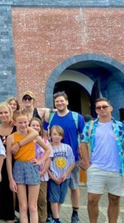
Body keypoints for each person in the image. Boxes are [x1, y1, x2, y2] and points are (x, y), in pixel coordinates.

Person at [79, 98, 124, 223]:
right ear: (96, 110)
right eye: (98, 107)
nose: (102, 109)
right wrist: (87, 164)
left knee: (114, 199)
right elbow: (83, 143)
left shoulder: (120, 127)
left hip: (116, 168)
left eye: (104, 106)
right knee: (92, 199)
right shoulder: (90, 126)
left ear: (110, 108)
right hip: (96, 168)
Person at [0, 102, 38, 223]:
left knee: (25, 201)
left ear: (10, 113)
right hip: (3, 164)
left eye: (6, 112)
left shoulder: (17, 124)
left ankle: (14, 218)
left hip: (19, 162)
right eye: (1, 113)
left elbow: (35, 133)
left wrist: (19, 144)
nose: (3, 115)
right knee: (4, 193)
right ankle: (2, 216)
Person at [47, 91, 85, 223]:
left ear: (67, 102)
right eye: (57, 101)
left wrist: (84, 157)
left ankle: (75, 213)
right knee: (54, 189)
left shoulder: (76, 117)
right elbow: (46, 135)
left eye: (61, 100)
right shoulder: (51, 117)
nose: (59, 103)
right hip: (53, 159)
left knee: (74, 187)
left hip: (71, 159)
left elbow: (84, 138)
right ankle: (54, 215)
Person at [6, 112, 51, 223]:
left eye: (25, 122)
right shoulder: (11, 138)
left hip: (31, 167)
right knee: (23, 206)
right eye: (20, 122)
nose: (23, 125)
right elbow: (8, 159)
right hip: (19, 168)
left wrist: (40, 161)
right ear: (15, 123)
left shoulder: (33, 136)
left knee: (32, 206)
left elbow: (48, 149)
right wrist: (11, 179)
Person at [47, 126, 75, 223]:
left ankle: (56, 216)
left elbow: (72, 162)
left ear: (62, 136)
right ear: (50, 135)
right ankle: (56, 218)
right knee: (54, 198)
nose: (57, 137)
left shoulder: (67, 148)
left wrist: (66, 173)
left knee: (60, 199)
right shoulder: (48, 148)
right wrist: (52, 177)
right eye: (54, 134)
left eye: (59, 135)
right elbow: (46, 165)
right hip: (54, 177)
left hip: (65, 177)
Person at [30, 117, 53, 223]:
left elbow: (49, 157)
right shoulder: (27, 139)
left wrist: (43, 171)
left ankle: (42, 219)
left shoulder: (45, 141)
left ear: (40, 128)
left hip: (41, 175)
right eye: (33, 125)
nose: (35, 127)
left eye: (37, 125)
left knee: (42, 199)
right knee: (31, 200)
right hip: (29, 174)